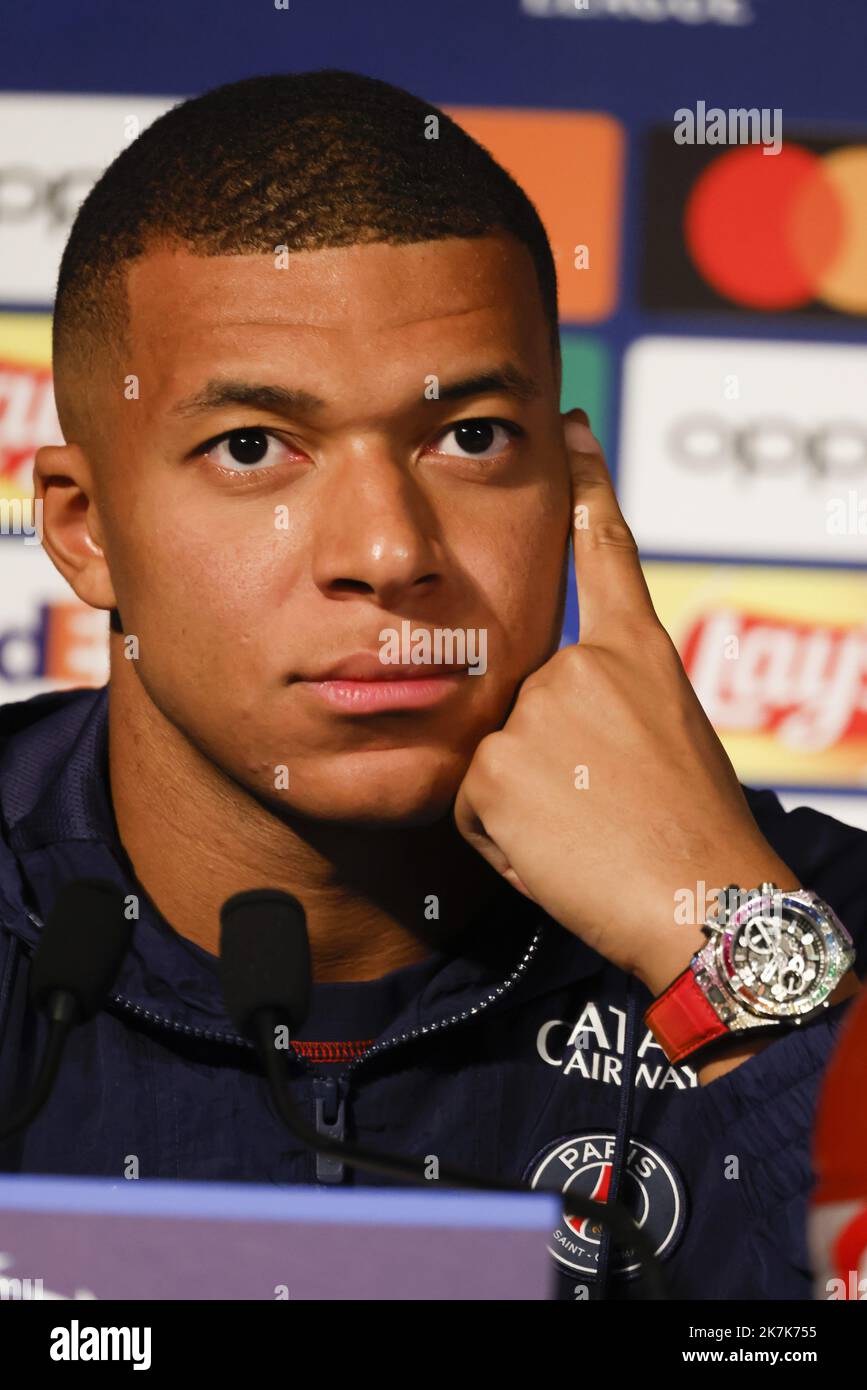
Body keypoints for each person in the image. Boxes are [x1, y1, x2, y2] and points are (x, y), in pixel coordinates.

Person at [0, 70, 862, 1301]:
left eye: (469, 437)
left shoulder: (813, 930)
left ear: (573, 488)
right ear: (82, 530)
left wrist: (722, 943)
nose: (388, 554)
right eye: (253, 447)